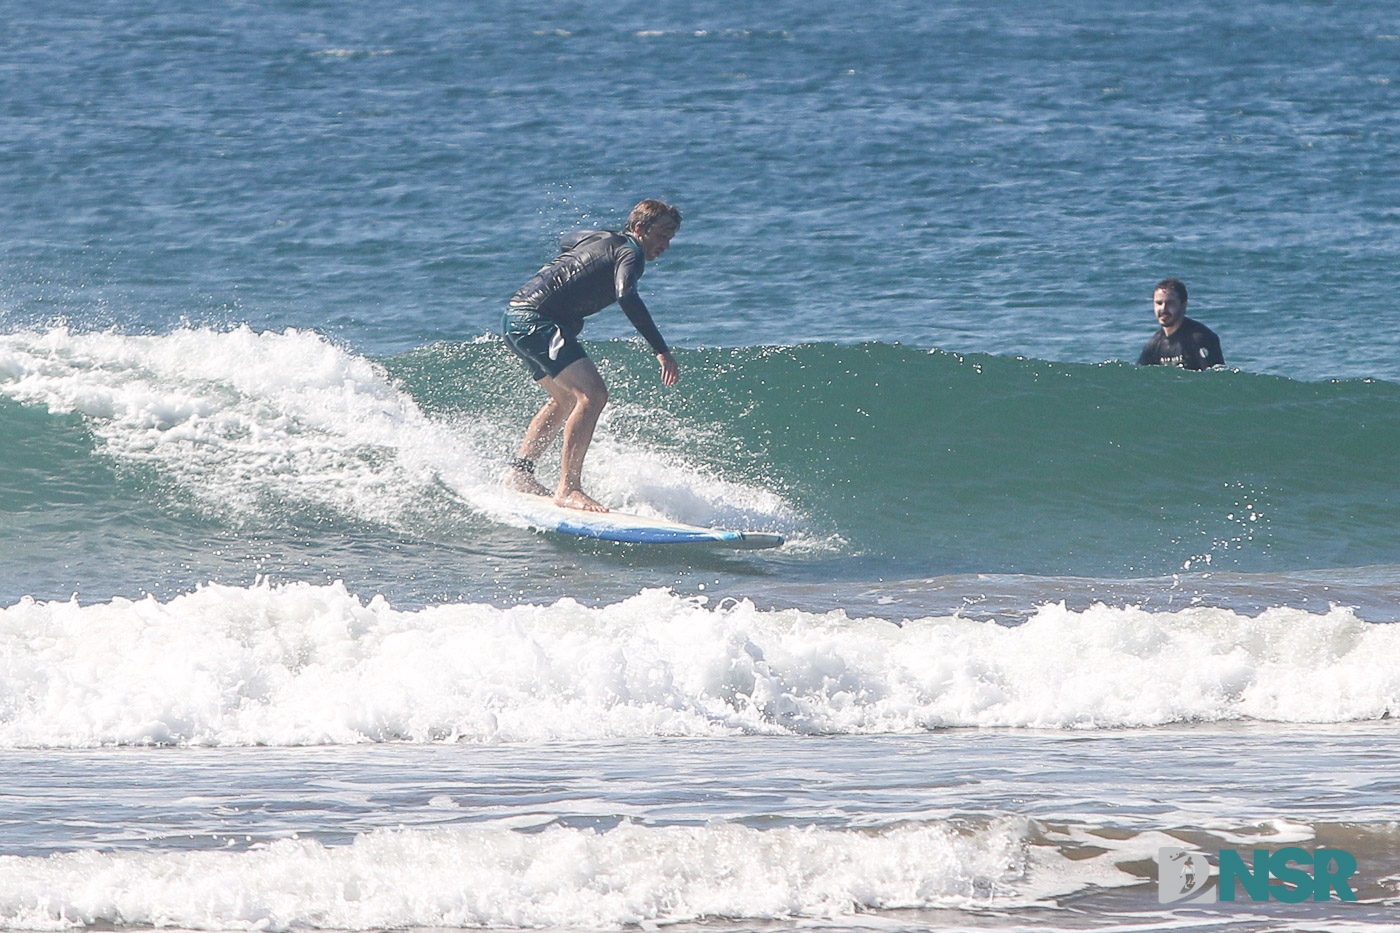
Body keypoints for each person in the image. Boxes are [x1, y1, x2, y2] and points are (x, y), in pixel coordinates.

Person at [502, 199, 682, 512]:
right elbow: (627, 294)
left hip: (516, 318)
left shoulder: (602, 238)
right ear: (640, 229)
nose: (666, 245)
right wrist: (662, 351)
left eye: (671, 237)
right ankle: (568, 489)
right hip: (539, 322)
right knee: (593, 395)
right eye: (663, 235)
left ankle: (520, 473)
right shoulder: (632, 254)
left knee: (566, 399)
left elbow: (568, 241)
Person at [1136, 277, 1224, 370]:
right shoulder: (1153, 345)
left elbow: (1217, 379)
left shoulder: (1202, 338)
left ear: (1183, 305)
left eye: (1170, 303)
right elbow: (1139, 378)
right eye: (1159, 303)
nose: (1163, 309)